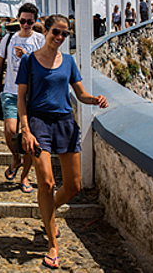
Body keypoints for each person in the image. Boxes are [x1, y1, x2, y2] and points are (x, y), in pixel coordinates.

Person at [15, 14, 109, 269]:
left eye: (64, 34)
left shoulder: (68, 61)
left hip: (65, 123)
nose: (59, 37)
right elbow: (21, 99)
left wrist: (95, 99)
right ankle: (52, 245)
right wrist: (25, 129)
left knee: (74, 187)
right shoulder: (29, 61)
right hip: (38, 123)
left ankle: (48, 213)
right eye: (56, 32)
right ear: (45, 31)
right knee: (46, 183)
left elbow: (80, 94)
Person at [0, 3, 45, 193]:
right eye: (22, 21)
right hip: (10, 92)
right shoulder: (9, 38)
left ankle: (25, 176)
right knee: (9, 130)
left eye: (29, 22)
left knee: (28, 137)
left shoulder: (40, 40)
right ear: (18, 20)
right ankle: (16, 158)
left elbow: (46, 66)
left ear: (35, 21)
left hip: (32, 95)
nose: (25, 25)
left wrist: (28, 56)